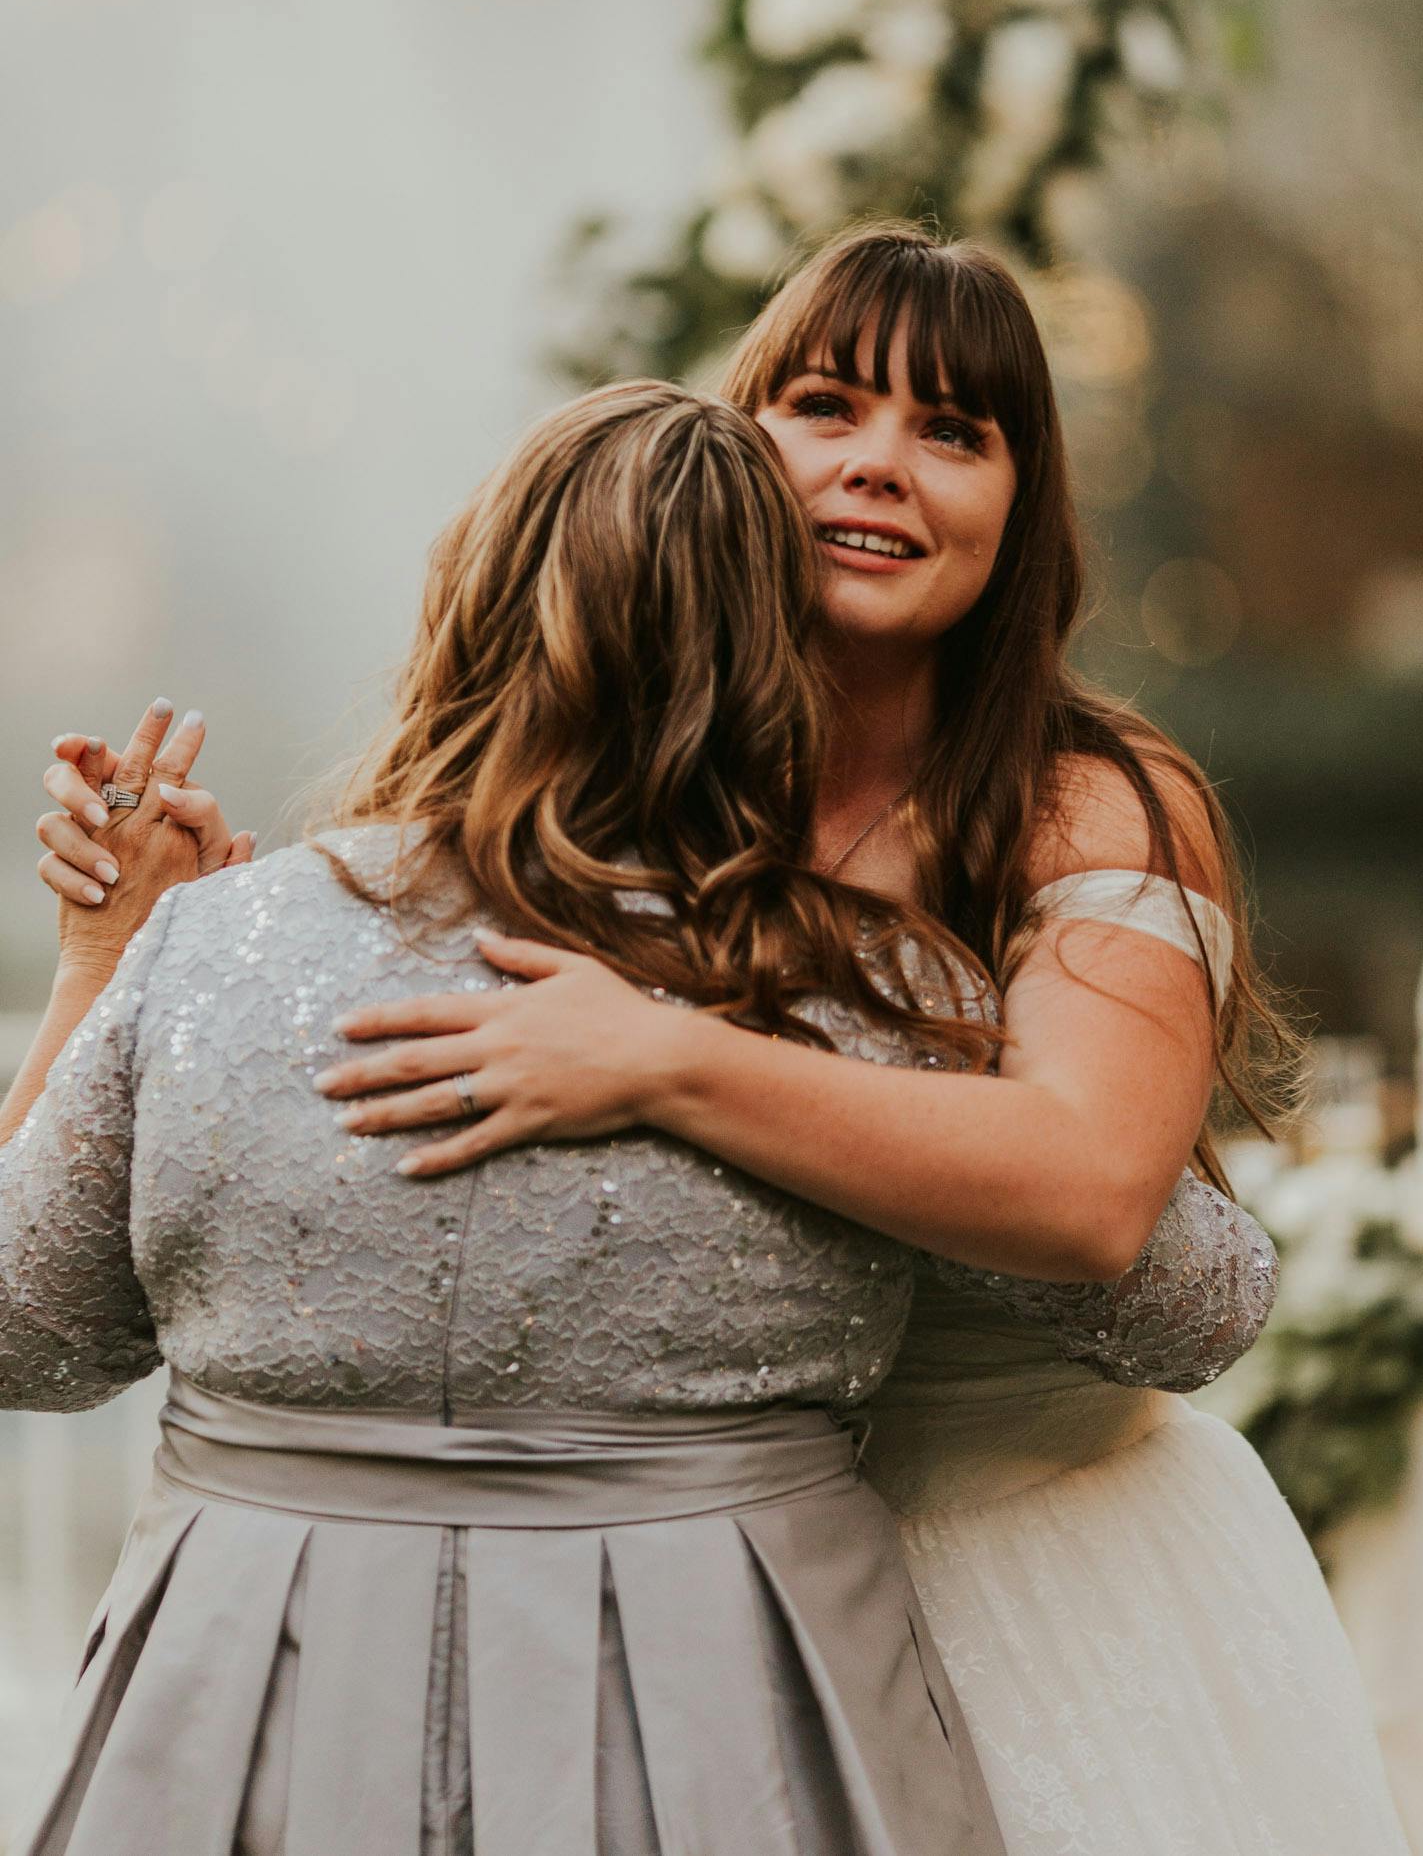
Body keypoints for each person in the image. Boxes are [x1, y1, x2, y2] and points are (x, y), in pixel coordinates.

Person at [31, 224, 1409, 1852]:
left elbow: (1114, 1208)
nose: (879, 462)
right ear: (735, 448)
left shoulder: (1088, 800)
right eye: (827, 407)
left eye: (951, 430)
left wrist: (667, 1060)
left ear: (1023, 506)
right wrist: (140, 961)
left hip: (1015, 1552)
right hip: (682, 1594)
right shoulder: (607, 799)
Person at [4, 382, 1025, 1856]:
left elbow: (16, 1332)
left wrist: (107, 964)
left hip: (246, 1720)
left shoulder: (213, 948)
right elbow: (1186, 1306)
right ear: (780, 655)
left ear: (467, 606)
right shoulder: (884, 992)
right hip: (724, 1726)